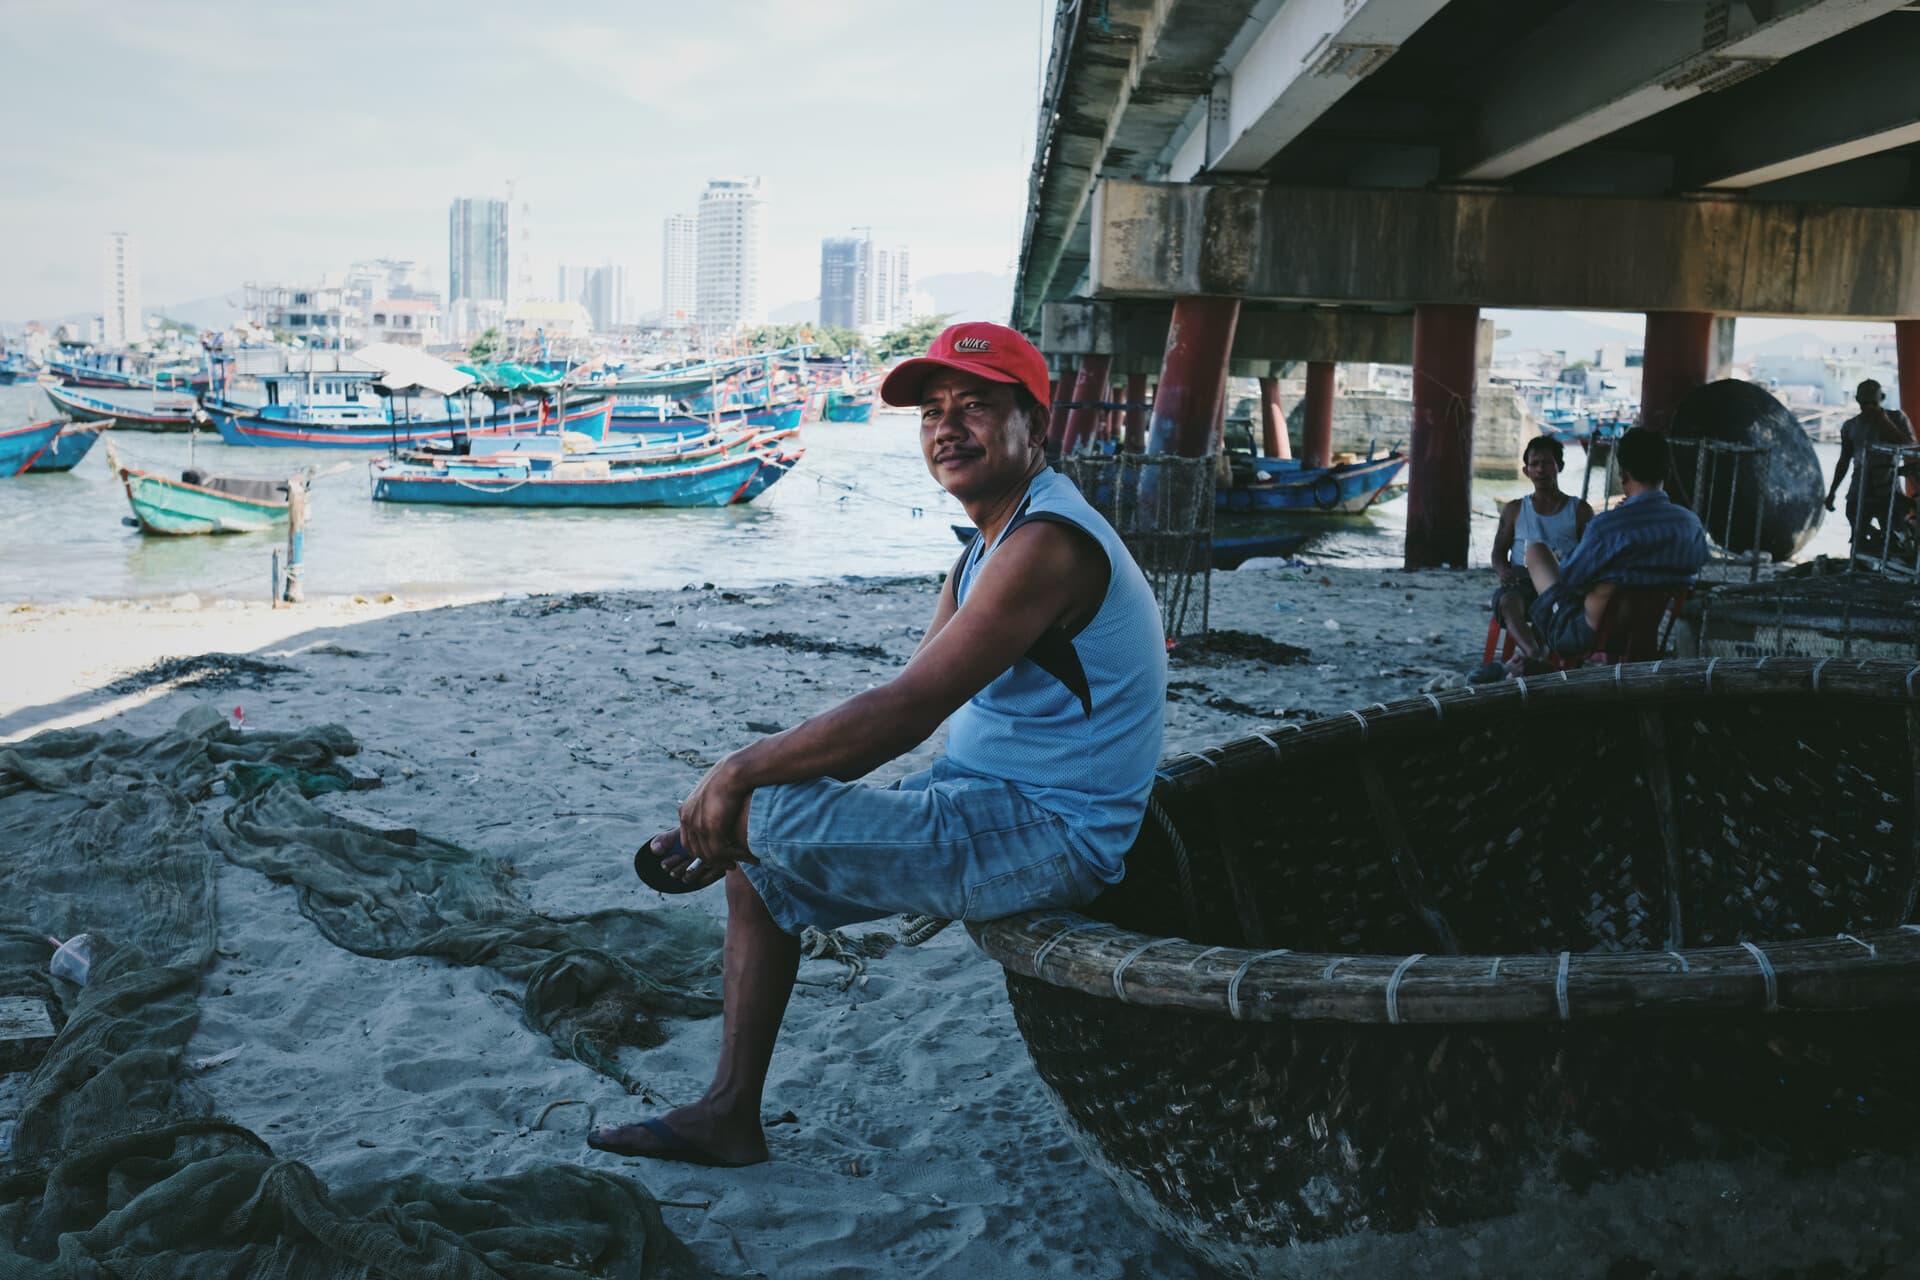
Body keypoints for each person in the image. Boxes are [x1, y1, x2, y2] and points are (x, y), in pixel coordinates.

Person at [589, 322, 1168, 1167]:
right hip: (976, 799)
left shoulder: (1047, 543)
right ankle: (728, 1113)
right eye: (932, 411)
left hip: (1051, 832)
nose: (947, 427)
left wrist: (735, 779)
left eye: (976, 406)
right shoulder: (990, 543)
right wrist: (736, 803)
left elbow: (905, 709)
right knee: (760, 849)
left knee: (767, 818)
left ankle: (727, 1076)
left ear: (1035, 427)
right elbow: (897, 720)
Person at [1507, 427, 1707, 673]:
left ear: (1622, 474)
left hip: (1591, 634)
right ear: (1667, 471)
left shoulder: (1608, 526)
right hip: (1647, 631)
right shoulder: (1691, 525)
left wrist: (1568, 561)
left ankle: (1535, 655)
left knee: (1537, 552)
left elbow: (1570, 580)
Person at [1489, 437, 1593, 664]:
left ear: (1560, 466)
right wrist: (1503, 571)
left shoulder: (1580, 510)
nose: (1540, 470)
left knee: (1556, 607)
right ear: (1526, 471)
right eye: (1534, 464)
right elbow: (1498, 553)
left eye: (1547, 463)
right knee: (1507, 601)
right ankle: (1534, 655)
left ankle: (1533, 657)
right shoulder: (1515, 509)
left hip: (1562, 585)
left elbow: (1590, 555)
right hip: (1523, 583)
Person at [1825, 379, 1915, 555]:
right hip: (1859, 492)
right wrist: (1832, 493)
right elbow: (1843, 461)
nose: (1868, 408)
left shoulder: (1896, 418)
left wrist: (1884, 422)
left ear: (1881, 399)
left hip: (1889, 491)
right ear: (1858, 401)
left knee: (1898, 538)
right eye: (1865, 404)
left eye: (1872, 403)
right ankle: (1859, 565)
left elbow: (1910, 448)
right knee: (1858, 538)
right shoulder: (1850, 426)